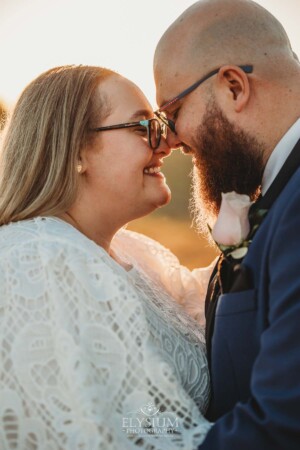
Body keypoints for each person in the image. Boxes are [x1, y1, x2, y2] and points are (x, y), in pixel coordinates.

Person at [0, 65, 214, 449]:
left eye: (159, 125)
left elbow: (202, 301)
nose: (165, 143)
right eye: (141, 127)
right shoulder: (38, 261)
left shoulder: (135, 251)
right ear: (75, 149)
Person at [154, 0, 300, 448]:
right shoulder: (279, 197)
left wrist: (121, 431)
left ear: (234, 87)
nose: (171, 139)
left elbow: (281, 427)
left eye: (172, 112)